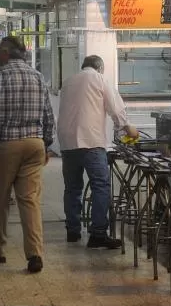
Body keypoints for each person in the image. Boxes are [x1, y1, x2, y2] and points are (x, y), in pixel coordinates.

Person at [0, 36, 55, 274]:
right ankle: (34, 254)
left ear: (6, 53)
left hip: (5, 145)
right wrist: (47, 144)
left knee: (0, 200)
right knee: (29, 200)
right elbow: (48, 115)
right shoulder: (38, 77)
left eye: (0, 51)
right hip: (33, 144)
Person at [58, 55, 139, 249]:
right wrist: (127, 127)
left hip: (67, 143)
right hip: (91, 142)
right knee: (100, 186)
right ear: (100, 67)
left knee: (72, 188)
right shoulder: (99, 79)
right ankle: (98, 234)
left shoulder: (68, 82)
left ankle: (73, 231)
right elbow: (115, 106)